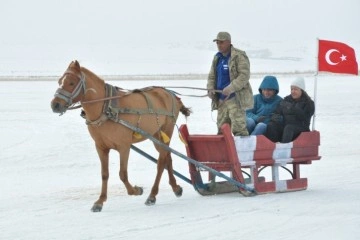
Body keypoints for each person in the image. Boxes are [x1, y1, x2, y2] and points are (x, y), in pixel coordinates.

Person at [207, 32, 253, 136]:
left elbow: (244, 76)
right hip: (221, 100)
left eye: (221, 42)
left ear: (229, 42)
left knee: (239, 129)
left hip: (236, 99)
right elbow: (212, 76)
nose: (219, 45)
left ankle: (241, 151)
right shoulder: (217, 57)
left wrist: (231, 87)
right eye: (217, 42)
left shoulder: (239, 56)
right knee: (221, 129)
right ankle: (222, 151)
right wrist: (210, 88)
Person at [265, 77, 315, 143]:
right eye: (292, 89)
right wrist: (275, 117)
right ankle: (271, 146)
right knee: (271, 125)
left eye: (296, 89)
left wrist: (292, 108)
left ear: (301, 90)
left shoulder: (308, 103)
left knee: (289, 128)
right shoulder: (286, 100)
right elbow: (277, 111)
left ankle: (284, 149)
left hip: (301, 128)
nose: (293, 91)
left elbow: (305, 117)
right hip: (286, 126)